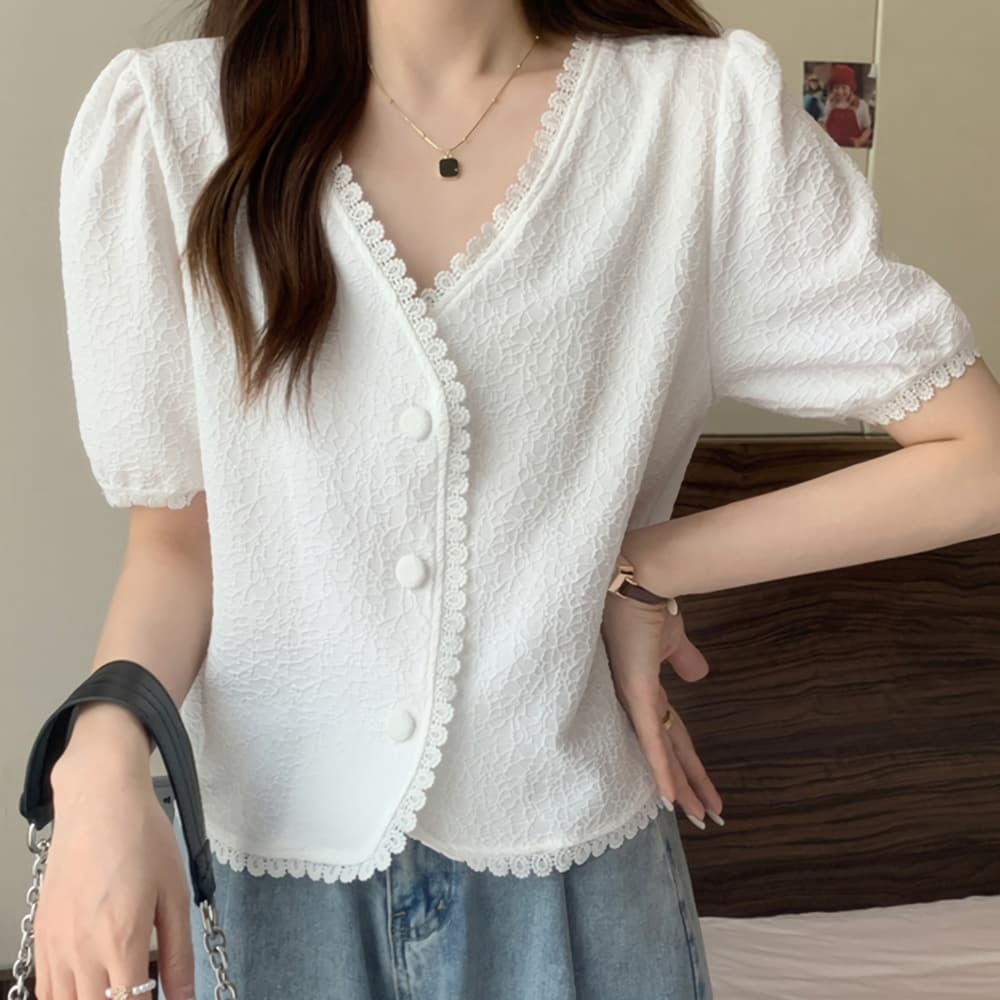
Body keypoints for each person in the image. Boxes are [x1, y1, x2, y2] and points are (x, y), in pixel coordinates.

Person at [33, 2, 1000, 999]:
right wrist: (100, 754)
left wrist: (640, 567)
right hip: (270, 887)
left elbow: (979, 458)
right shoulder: (173, 126)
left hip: (574, 884)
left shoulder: (699, 122)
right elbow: (179, 548)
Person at [824, 62, 873, 147]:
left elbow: (867, 129)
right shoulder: (829, 102)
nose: (840, 92)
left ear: (851, 88)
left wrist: (860, 141)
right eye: (836, 87)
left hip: (853, 147)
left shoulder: (861, 104)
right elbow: (824, 124)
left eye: (844, 88)